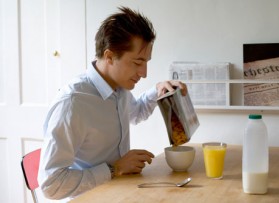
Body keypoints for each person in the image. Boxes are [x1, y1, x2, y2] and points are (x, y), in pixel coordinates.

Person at [38, 6, 187, 200]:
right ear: (109, 56)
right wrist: (114, 168)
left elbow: (136, 113)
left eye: (146, 62)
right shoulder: (72, 103)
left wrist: (157, 90)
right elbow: (51, 185)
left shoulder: (120, 87)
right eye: (137, 62)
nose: (144, 73)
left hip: (119, 193)